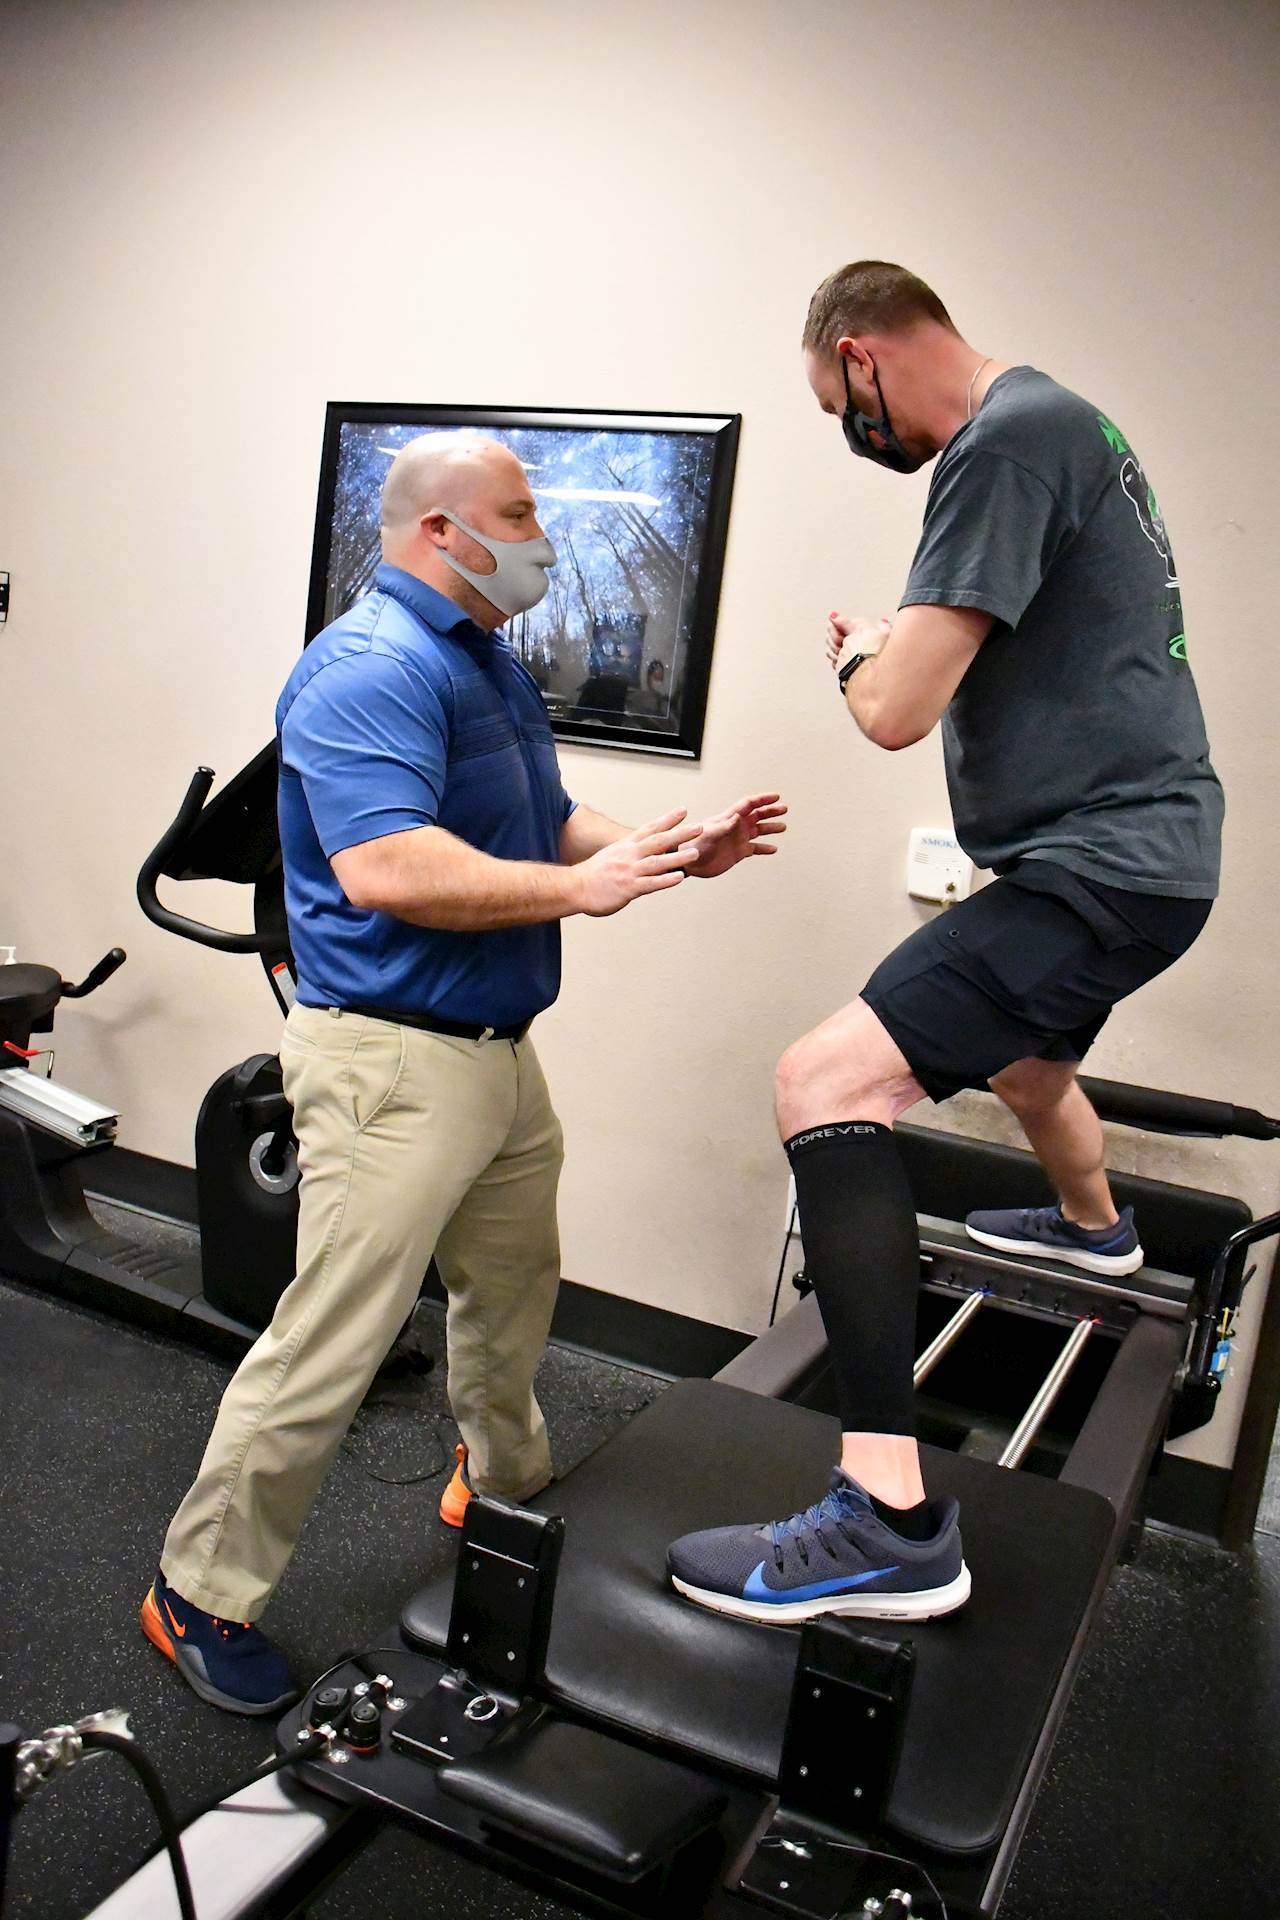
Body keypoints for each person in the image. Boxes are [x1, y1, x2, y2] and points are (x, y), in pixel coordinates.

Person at [141, 431, 787, 1712]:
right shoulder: (367, 667)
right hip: (389, 1064)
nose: (543, 537)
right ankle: (198, 1587)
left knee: (511, 1285)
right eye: (520, 513)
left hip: (495, 1055)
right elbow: (386, 865)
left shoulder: (485, 657)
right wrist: (578, 892)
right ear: (441, 530)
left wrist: (663, 848)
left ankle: (497, 1482)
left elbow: (543, 818)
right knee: (331, 1336)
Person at [668, 259, 1222, 1626]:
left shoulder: (1000, 443)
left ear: (862, 355)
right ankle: (1096, 1233)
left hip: (1102, 867)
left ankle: (888, 1520)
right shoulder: (1060, 425)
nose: (852, 435)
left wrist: (857, 659)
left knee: (824, 1082)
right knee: (1021, 1056)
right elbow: (995, 647)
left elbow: (892, 713)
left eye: (835, 406)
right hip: (1128, 860)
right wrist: (897, 640)